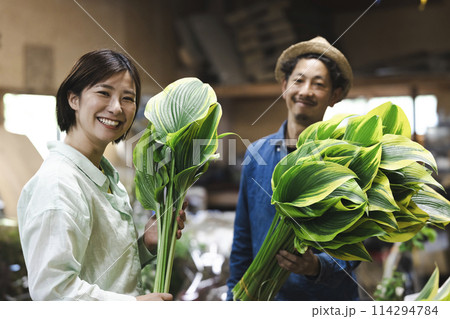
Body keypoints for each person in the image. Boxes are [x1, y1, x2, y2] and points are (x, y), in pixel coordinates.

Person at [17, 49, 186, 301]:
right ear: (73, 99)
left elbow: (101, 271)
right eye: (104, 93)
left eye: (128, 98)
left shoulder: (103, 176)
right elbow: (53, 293)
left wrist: (147, 244)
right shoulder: (58, 184)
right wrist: (135, 307)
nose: (117, 108)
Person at [226, 36, 360, 300]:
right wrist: (233, 298)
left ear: (334, 95)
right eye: (299, 80)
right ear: (285, 86)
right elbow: (242, 242)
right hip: (270, 303)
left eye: (318, 84)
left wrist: (316, 266)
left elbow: (355, 249)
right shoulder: (257, 155)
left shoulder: (345, 160)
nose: (306, 90)